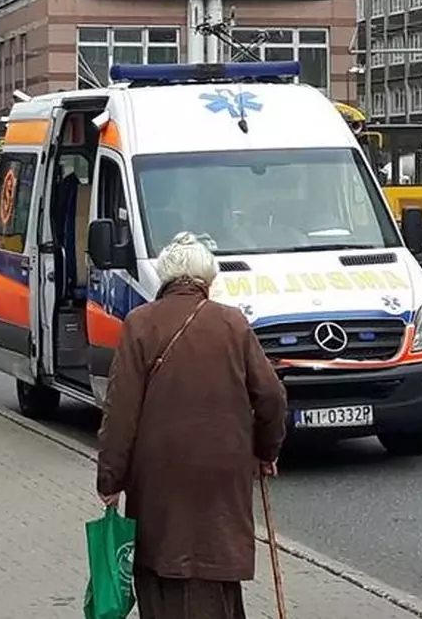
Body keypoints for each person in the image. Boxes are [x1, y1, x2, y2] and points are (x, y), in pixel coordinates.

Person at [95, 231, 287, 619]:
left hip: (157, 480)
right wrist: (266, 451)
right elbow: (271, 396)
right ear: (206, 280)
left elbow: (120, 412)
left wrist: (110, 479)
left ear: (164, 278)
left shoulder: (140, 324)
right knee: (215, 566)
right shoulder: (232, 324)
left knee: (162, 569)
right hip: (222, 477)